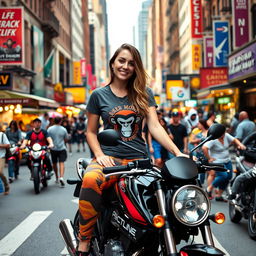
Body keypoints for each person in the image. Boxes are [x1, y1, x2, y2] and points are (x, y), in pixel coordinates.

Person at [76, 44, 188, 255]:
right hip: (111, 160)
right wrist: (100, 156)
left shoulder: (144, 93)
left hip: (141, 161)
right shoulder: (98, 95)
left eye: (131, 63)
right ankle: (84, 239)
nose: (125, 66)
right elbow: (91, 132)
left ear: (136, 68)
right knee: (90, 180)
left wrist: (178, 152)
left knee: (163, 193)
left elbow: (155, 126)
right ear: (112, 63)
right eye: (121, 61)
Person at [202, 130, 246, 201]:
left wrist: (240, 144)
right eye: (221, 134)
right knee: (223, 176)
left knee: (228, 177)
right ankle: (209, 188)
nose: (223, 135)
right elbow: (204, 148)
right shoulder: (213, 139)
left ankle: (219, 195)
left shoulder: (226, 135)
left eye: (223, 133)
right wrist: (209, 158)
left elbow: (234, 139)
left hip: (227, 160)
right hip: (217, 161)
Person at [47, 117, 68, 187]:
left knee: (54, 163)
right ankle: (61, 177)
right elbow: (66, 138)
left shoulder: (50, 129)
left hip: (53, 149)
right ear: (60, 121)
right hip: (62, 148)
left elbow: (47, 138)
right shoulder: (63, 129)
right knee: (61, 163)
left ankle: (56, 177)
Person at [189, 119, 209, 184]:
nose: (198, 125)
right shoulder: (198, 133)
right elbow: (191, 141)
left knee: (210, 171)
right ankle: (201, 184)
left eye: (199, 124)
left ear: (202, 125)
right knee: (201, 171)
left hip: (208, 154)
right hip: (200, 154)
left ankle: (209, 187)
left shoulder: (208, 132)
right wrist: (197, 141)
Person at [0, 128, 10, 195]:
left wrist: (0, 145)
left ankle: (6, 186)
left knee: (0, 172)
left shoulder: (2, 135)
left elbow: (8, 145)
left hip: (1, 156)